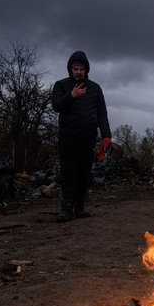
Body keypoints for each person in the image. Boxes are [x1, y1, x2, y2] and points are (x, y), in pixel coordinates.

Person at [52, 50, 112, 222]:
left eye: (81, 69)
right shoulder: (61, 85)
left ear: (86, 70)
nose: (78, 71)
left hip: (88, 138)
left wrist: (106, 135)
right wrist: (70, 96)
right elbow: (56, 106)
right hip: (68, 138)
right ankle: (66, 209)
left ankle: (79, 207)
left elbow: (102, 113)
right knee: (68, 173)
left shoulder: (94, 88)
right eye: (75, 68)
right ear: (70, 69)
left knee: (84, 174)